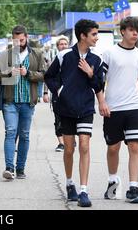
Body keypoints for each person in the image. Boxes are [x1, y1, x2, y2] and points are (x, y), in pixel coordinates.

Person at [44, 19, 106, 208]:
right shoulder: (63, 55)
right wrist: (59, 90)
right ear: (83, 36)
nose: (97, 37)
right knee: (69, 149)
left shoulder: (97, 59)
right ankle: (70, 183)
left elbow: (98, 85)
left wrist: (90, 73)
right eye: (94, 34)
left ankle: (84, 190)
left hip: (86, 108)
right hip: (66, 108)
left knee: (85, 146)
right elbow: (49, 76)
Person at [99, 17, 138, 204]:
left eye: (137, 31)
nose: (135, 33)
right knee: (113, 147)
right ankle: (113, 182)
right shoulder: (109, 53)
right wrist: (102, 102)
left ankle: (133, 188)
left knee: (135, 146)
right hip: (113, 107)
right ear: (123, 32)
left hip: (134, 107)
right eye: (131, 30)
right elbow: (100, 81)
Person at [0, 25, 46, 181]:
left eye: (21, 39)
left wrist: (27, 73)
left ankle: (20, 168)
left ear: (26, 37)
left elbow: (44, 75)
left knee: (24, 135)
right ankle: (9, 168)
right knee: (10, 132)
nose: (18, 42)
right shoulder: (5, 55)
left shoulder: (36, 54)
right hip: (10, 101)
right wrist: (9, 72)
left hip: (28, 102)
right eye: (15, 40)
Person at [43, 35, 69, 152]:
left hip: (70, 94)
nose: (63, 46)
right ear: (57, 46)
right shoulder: (53, 61)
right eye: (61, 44)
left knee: (69, 118)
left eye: (65, 44)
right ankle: (61, 143)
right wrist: (45, 92)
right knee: (58, 118)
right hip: (56, 93)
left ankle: (70, 139)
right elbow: (47, 77)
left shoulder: (73, 59)